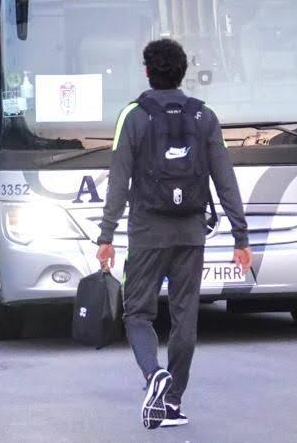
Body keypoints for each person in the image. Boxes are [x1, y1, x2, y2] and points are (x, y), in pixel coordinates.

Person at [96, 39, 252, 430]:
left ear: (148, 71)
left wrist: (106, 235)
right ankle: (173, 401)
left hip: (148, 232)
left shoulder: (133, 116)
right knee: (185, 318)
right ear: (182, 72)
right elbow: (225, 179)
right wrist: (240, 237)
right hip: (191, 232)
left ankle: (154, 376)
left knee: (137, 313)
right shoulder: (204, 116)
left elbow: (118, 181)